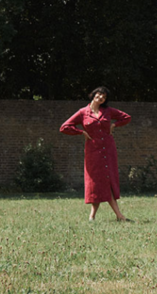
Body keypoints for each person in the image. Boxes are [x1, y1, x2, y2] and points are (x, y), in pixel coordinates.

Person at [60, 86, 131, 222]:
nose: (100, 98)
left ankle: (101, 216)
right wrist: (81, 132)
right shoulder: (82, 112)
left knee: (107, 181)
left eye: (103, 97)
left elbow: (126, 117)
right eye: (99, 95)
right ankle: (116, 216)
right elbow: (64, 127)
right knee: (96, 183)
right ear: (93, 95)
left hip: (108, 150)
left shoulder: (108, 111)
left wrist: (114, 125)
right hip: (93, 152)